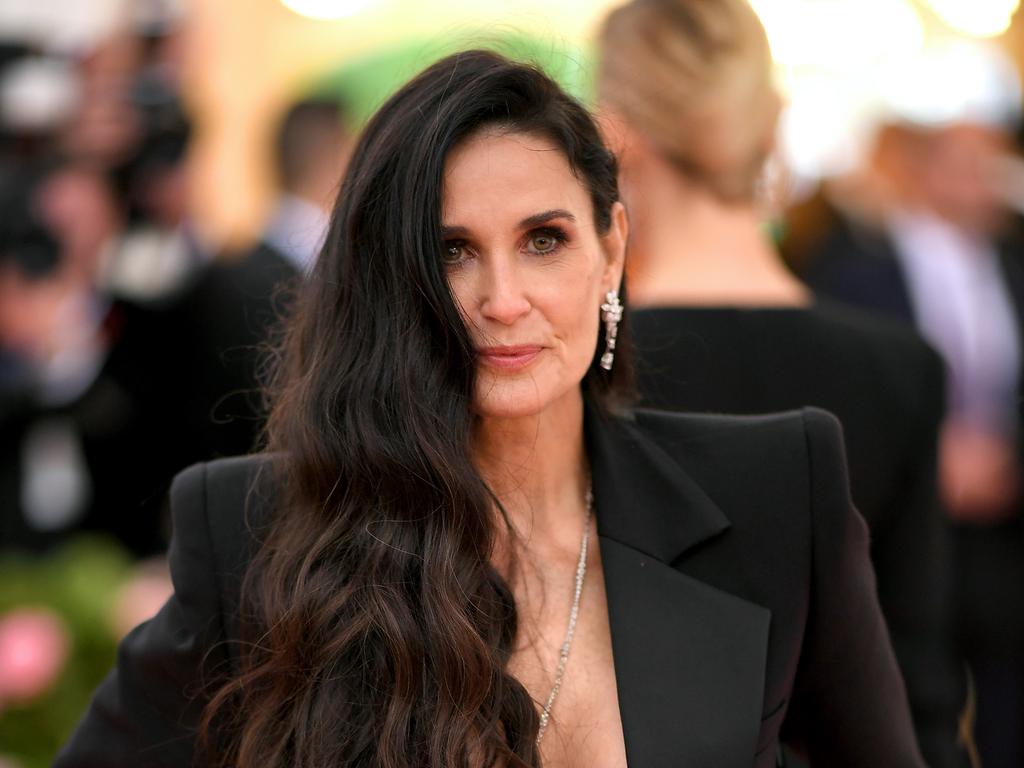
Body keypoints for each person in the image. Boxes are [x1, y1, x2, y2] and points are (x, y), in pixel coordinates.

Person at [55, 49, 923, 767]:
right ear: (394, 278)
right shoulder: (256, 535)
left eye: (544, 240)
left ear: (611, 248)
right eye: (452, 251)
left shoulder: (775, 493)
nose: (503, 300)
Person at [596, 1, 965, 765]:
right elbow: (918, 675)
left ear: (612, 137)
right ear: (766, 126)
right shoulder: (898, 365)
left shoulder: (588, 366)